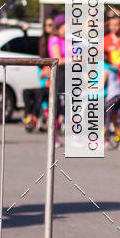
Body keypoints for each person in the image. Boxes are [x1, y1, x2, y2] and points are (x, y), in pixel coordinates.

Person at [48, 14, 67, 145]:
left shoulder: (67, 39)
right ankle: (53, 137)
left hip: (70, 75)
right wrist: (76, 60)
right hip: (60, 75)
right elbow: (57, 60)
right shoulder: (55, 40)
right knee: (57, 107)